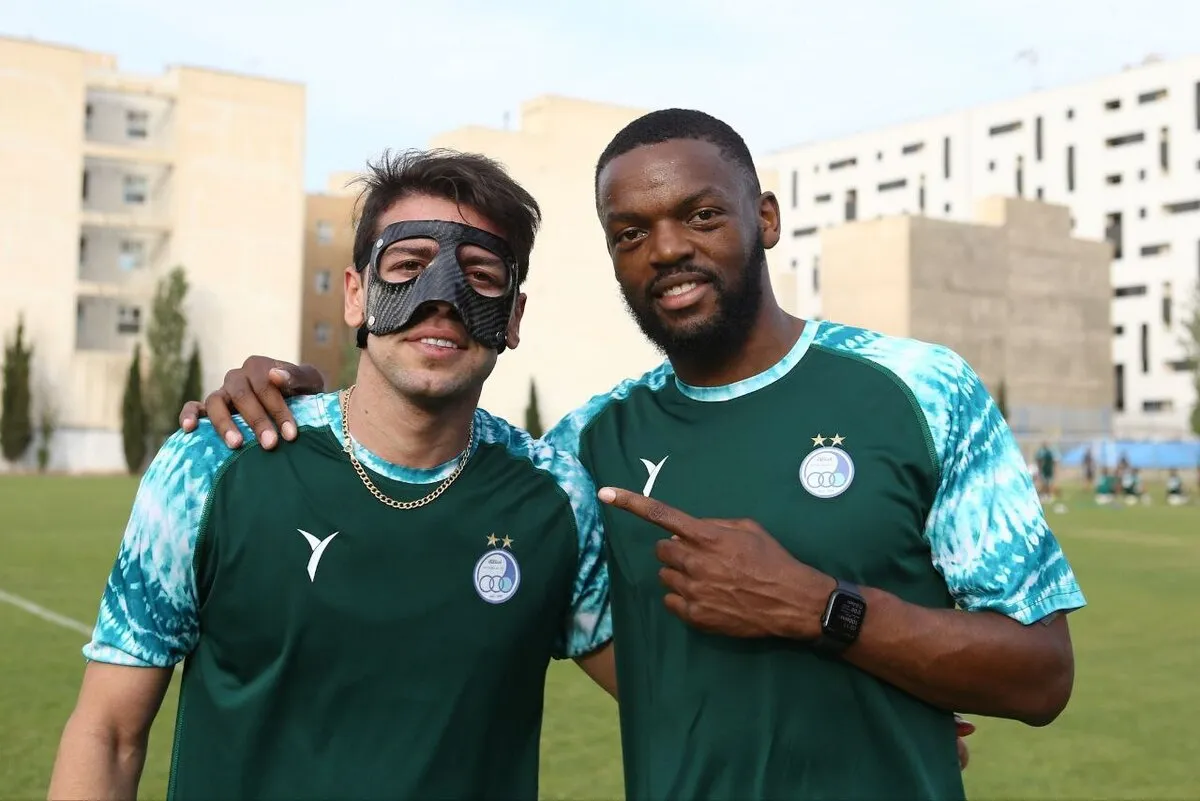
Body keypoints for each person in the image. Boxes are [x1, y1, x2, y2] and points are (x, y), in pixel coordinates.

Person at [180, 111, 1076, 799]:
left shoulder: (922, 389)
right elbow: (432, 510)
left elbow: (1043, 674)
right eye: (630, 233)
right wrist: (292, 397)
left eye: (700, 215)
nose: (668, 249)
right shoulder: (579, 455)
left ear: (765, 218)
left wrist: (824, 610)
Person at [47, 149, 616, 801]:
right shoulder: (212, 465)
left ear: (513, 316)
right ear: (355, 294)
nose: (442, 299)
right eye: (408, 265)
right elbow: (109, 734)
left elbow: (672, 696)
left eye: (480, 275)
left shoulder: (556, 500)